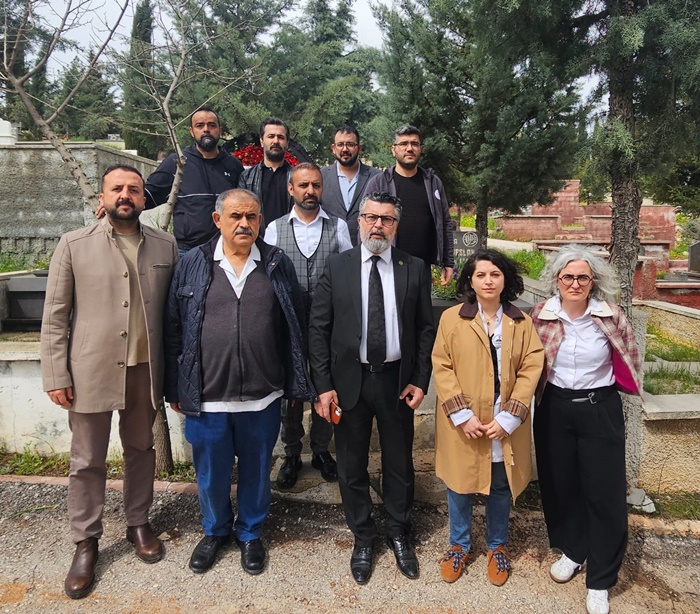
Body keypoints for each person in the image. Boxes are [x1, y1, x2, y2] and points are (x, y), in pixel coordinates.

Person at [40, 165, 178, 599]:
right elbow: (55, 316)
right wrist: (56, 373)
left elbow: (174, 315)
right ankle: (86, 540)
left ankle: (138, 522)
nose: (125, 195)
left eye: (134, 189)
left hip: (145, 370)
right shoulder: (74, 244)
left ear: (143, 198)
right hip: (90, 371)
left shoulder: (165, 244)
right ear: (102, 197)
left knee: (141, 449)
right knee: (86, 459)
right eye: (117, 188)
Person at [164, 188, 314, 576]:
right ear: (218, 220)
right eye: (236, 216)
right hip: (208, 396)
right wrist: (175, 386)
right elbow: (174, 328)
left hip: (262, 396)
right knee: (211, 474)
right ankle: (215, 531)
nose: (244, 223)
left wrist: (295, 382)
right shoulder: (193, 263)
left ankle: (250, 533)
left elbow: (294, 325)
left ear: (260, 221)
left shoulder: (276, 263)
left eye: (251, 216)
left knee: (257, 470)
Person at [308, 191, 435, 585]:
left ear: (396, 225)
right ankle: (363, 536)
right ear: (359, 222)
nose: (378, 225)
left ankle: (398, 532)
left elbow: (425, 329)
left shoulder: (414, 267)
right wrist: (323, 386)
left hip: (397, 382)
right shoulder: (337, 267)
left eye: (387, 219)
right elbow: (318, 330)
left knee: (399, 463)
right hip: (350, 383)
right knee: (350, 465)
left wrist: (420, 380)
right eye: (371, 217)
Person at [529, 245, 643, 614]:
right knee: (561, 485)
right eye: (568, 277)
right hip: (554, 409)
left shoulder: (610, 315)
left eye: (582, 277)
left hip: (599, 408)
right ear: (556, 280)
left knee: (604, 492)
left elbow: (630, 355)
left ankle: (601, 579)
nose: (575, 283)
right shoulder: (540, 315)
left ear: (593, 281)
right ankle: (574, 550)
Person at [432, 250, 543, 587]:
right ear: (470, 280)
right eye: (481, 275)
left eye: (495, 274)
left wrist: (511, 417)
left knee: (500, 484)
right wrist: (461, 414)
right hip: (465, 421)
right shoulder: (452, 319)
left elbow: (531, 367)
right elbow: (442, 365)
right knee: (459, 484)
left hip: (502, 420)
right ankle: (458, 545)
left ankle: (496, 546)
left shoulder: (521, 322)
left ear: (505, 279)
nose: (488, 281)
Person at [264, 162, 353, 489]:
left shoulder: (338, 227)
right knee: (291, 391)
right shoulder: (274, 229)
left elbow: (349, 272)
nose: (310, 191)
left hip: (328, 324)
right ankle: (291, 454)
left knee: (325, 384)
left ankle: (320, 450)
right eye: (303, 185)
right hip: (288, 324)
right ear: (291, 189)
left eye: (315, 185)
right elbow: (267, 277)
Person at [143, 106, 244, 254]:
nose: (206, 129)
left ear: (219, 130)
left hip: (225, 249)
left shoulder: (233, 165)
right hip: (187, 250)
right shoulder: (177, 163)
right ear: (191, 131)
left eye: (212, 125)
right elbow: (147, 196)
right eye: (199, 125)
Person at [363, 124, 454, 285]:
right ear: (393, 149)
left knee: (422, 303)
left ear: (421, 149)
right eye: (404, 143)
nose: (409, 148)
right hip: (387, 266)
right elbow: (364, 224)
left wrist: (448, 262)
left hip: (422, 268)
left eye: (414, 144)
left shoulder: (433, 183)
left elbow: (445, 223)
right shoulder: (379, 183)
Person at [320, 125, 380, 246]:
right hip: (330, 248)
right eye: (340, 144)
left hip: (365, 247)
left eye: (350, 144)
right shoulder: (321, 177)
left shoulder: (377, 177)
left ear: (359, 148)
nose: (345, 149)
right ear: (333, 148)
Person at [238, 117, 294, 225]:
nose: (276, 141)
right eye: (271, 136)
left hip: (289, 234)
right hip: (258, 235)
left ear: (287, 143)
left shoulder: (297, 177)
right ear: (262, 141)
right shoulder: (247, 177)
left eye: (281, 137)